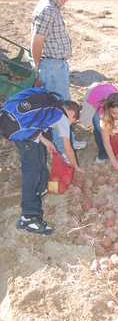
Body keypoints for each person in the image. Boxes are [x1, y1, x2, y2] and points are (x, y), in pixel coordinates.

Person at [1, 90, 85, 236]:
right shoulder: (63, 117)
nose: (71, 125)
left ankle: (40, 188)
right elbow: (68, 149)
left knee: (39, 152)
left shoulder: (50, 105)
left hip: (7, 117)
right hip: (18, 128)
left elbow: (32, 120)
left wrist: (46, 141)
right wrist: (76, 167)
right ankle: (29, 215)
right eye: (73, 122)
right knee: (31, 169)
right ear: (71, 114)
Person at [31, 0, 86, 158]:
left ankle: (68, 141)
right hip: (52, 67)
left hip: (57, 66)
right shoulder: (47, 9)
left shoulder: (53, 8)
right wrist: (37, 72)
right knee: (60, 112)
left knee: (65, 107)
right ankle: (62, 152)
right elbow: (36, 42)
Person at [79, 83, 118, 172]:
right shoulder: (103, 114)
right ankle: (102, 155)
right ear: (108, 111)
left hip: (109, 88)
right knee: (99, 128)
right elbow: (106, 140)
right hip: (94, 93)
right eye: (114, 113)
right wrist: (114, 162)